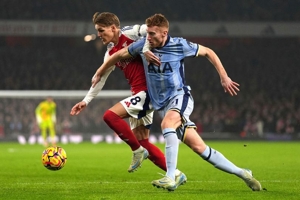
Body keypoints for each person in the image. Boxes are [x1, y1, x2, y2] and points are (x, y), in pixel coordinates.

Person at [91, 13, 262, 192]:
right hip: (162, 104)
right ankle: (243, 173)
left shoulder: (179, 45)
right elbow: (118, 55)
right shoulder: (143, 45)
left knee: (167, 124)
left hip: (179, 97)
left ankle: (171, 177)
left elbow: (208, 52)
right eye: (147, 33)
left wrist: (224, 76)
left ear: (164, 33)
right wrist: (100, 71)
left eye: (152, 34)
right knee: (199, 148)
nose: (148, 37)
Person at [70, 12, 186, 186]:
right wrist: (86, 100)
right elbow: (99, 79)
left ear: (113, 28)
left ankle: (137, 151)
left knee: (110, 116)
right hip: (138, 94)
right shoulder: (109, 53)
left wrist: (146, 49)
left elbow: (152, 31)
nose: (99, 35)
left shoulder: (130, 32)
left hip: (148, 91)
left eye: (101, 30)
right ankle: (176, 174)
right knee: (143, 141)